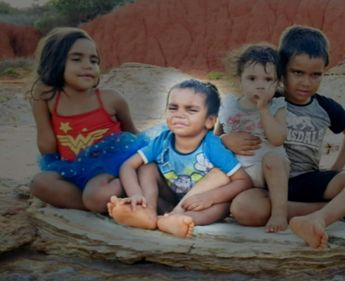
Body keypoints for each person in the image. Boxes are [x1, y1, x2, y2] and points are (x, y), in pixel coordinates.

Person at [224, 25, 345, 248]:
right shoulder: (267, 100)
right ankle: (333, 209)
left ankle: (319, 217)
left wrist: (337, 167)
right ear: (281, 70)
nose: (306, 82)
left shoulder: (325, 107)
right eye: (297, 73)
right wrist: (225, 140)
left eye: (315, 75)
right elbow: (223, 127)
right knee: (243, 209)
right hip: (269, 183)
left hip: (308, 179)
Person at [107, 79, 252, 238]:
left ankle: (179, 219)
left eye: (191, 110)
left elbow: (243, 181)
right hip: (168, 198)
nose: (179, 115)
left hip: (201, 205)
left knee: (221, 183)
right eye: (173, 108)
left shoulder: (212, 146)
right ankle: (147, 210)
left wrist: (209, 197)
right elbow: (127, 166)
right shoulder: (162, 140)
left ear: (209, 121)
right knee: (147, 167)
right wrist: (135, 194)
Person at [29, 27, 146, 212]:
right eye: (76, 59)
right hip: (71, 169)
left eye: (94, 60)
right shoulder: (50, 99)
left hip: (109, 171)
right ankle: (99, 207)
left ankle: (105, 201)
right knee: (39, 183)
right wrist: (39, 102)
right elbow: (47, 148)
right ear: (56, 62)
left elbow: (134, 137)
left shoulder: (111, 99)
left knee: (95, 195)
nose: (88, 65)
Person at [216, 44, 290, 232]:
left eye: (268, 79)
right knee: (215, 173)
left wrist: (263, 110)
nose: (260, 84)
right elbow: (213, 139)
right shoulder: (229, 104)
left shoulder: (276, 106)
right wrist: (225, 138)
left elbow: (277, 139)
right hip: (239, 173)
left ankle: (279, 213)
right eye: (251, 78)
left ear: (278, 82)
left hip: (268, 172)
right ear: (239, 80)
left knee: (274, 160)